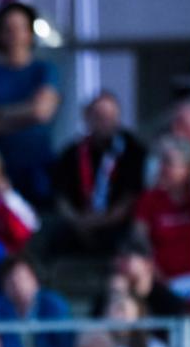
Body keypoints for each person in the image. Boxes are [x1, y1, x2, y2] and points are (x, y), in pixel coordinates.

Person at [0, 0, 60, 206]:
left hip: (40, 172)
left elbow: (41, 111)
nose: (15, 35)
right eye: (8, 29)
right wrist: (25, 115)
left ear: (30, 33)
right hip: (0, 174)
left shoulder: (44, 70)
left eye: (21, 27)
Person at [49, 90, 146, 258]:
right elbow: (61, 197)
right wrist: (78, 221)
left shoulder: (132, 150)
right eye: (99, 116)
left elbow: (131, 197)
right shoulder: (72, 152)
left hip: (117, 222)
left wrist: (101, 221)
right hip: (79, 222)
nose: (105, 122)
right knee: (55, 239)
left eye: (110, 116)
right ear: (87, 118)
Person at [133, 136, 190, 297]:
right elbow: (139, 241)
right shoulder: (149, 199)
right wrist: (154, 271)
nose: (162, 168)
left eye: (169, 163)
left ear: (187, 168)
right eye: (162, 162)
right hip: (160, 281)